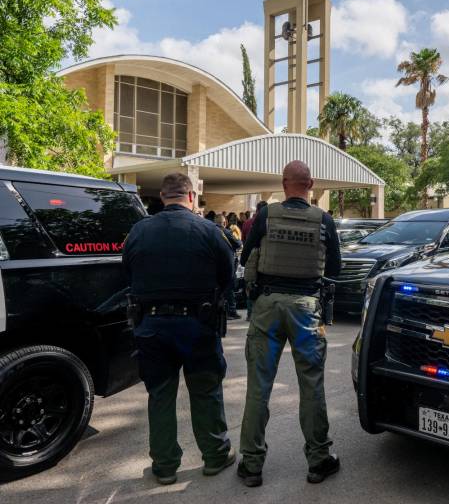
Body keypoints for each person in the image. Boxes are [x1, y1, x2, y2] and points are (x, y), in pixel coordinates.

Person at [122, 173, 235, 485]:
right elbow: (228, 278)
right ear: (191, 197)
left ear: (162, 196)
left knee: (160, 395)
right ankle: (214, 455)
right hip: (199, 325)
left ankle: (164, 466)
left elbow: (127, 271)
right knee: (206, 392)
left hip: (152, 326)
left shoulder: (139, 230)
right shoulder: (209, 230)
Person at [238, 161, 341, 487]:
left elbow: (245, 259)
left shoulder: (266, 215)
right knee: (311, 385)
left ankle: (252, 465)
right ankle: (319, 460)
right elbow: (335, 267)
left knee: (258, 386)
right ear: (310, 184)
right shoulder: (324, 220)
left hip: (267, 305)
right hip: (306, 307)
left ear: (284, 184)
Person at [215, 214, 242, 320]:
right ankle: (231, 311)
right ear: (225, 223)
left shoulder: (210, 232)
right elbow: (239, 243)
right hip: (227, 264)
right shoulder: (226, 232)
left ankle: (219, 310)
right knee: (229, 288)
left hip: (214, 264)